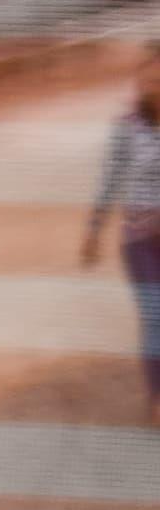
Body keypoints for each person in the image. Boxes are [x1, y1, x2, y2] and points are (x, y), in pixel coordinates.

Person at [81, 46, 160, 421]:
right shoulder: (127, 127)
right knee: (155, 315)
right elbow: (110, 179)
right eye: (146, 80)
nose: (152, 86)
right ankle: (157, 397)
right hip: (141, 239)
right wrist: (93, 230)